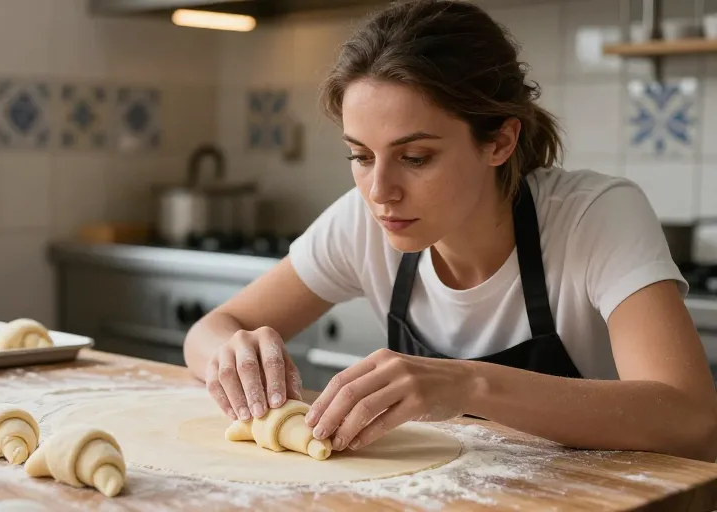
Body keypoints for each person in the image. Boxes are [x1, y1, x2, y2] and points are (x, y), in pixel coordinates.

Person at [183, 0, 717, 462]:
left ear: (500, 142)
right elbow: (209, 331)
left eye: (415, 157)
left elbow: (691, 419)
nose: (380, 191)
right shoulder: (362, 220)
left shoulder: (593, 216)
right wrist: (234, 355)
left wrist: (469, 384)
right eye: (361, 156)